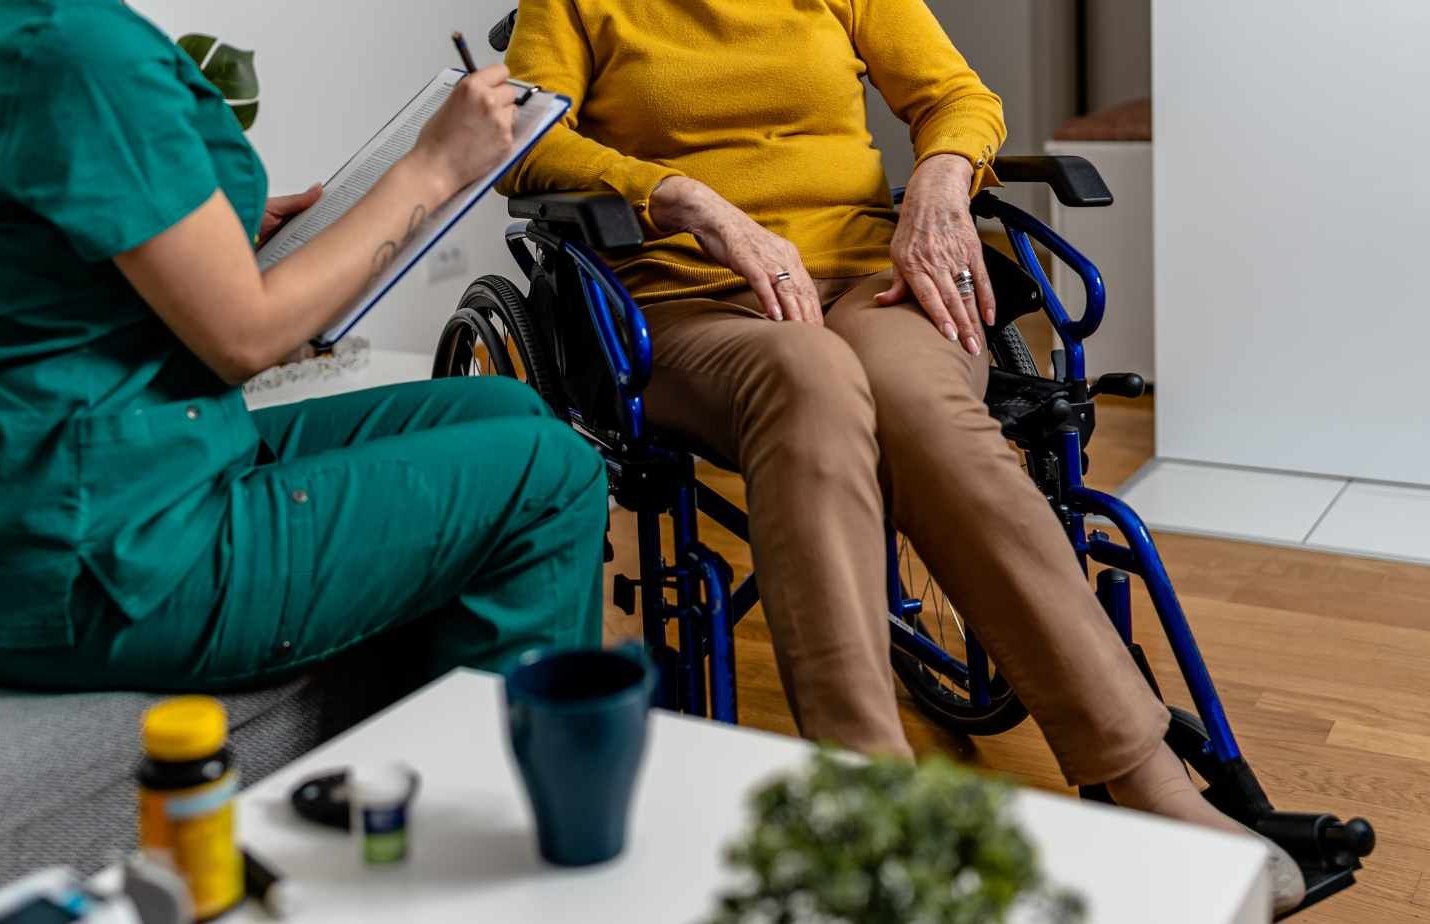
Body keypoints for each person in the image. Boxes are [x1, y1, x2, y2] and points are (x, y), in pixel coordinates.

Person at [501, 0, 1303, 911]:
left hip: (868, 279)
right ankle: (869, 802)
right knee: (806, 377)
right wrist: (682, 197)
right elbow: (526, 140)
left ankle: (1149, 780)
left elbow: (956, 95)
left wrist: (940, 182)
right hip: (691, 304)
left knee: (918, 397)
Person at [0, 0, 606, 696]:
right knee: (553, 475)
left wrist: (191, 235)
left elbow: (28, 248)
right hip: (103, 551)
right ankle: (486, 790)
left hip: (57, 503)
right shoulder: (75, 49)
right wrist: (433, 167)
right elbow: (246, 339)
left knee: (503, 407)